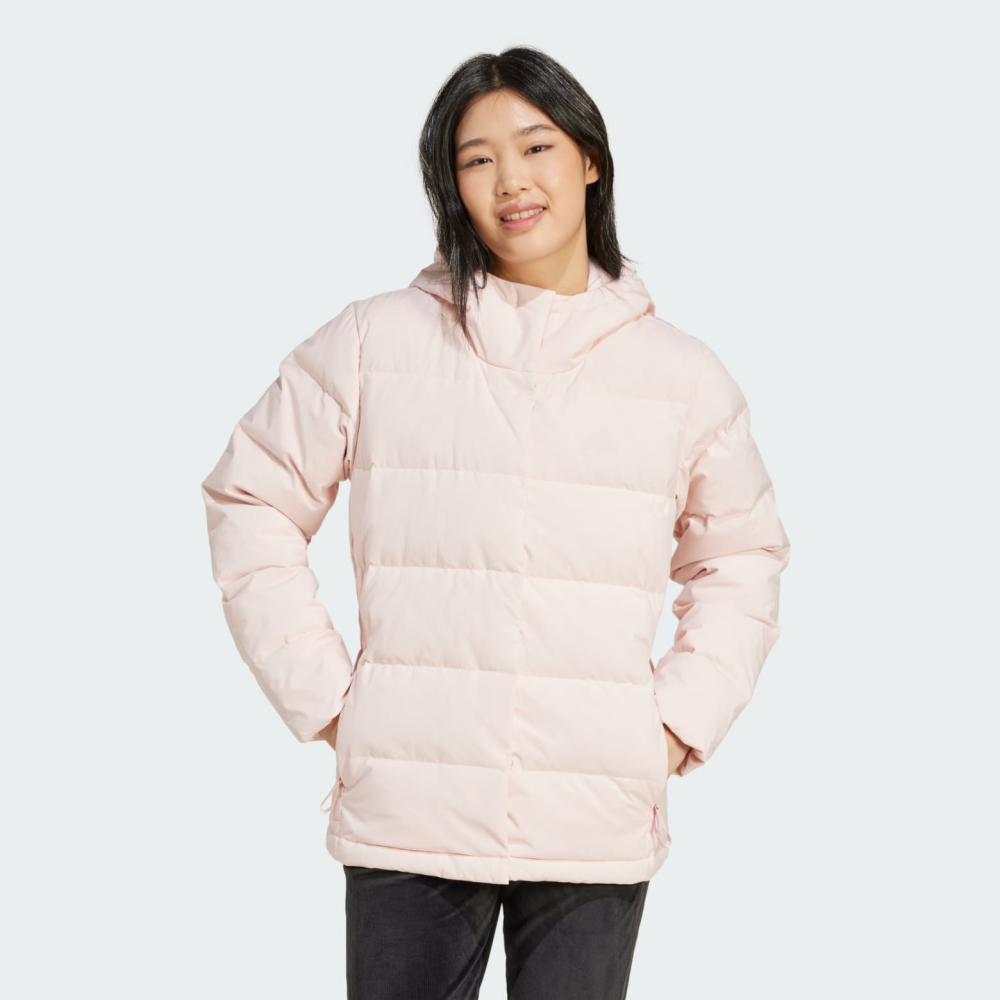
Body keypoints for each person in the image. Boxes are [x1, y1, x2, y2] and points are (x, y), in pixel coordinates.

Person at [201, 45, 791, 1000]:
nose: (511, 181)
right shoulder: (375, 340)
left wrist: (676, 724)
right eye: (477, 160)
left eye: (535, 146)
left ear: (589, 158)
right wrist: (330, 702)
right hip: (411, 806)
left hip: (590, 810)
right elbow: (251, 497)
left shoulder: (681, 375)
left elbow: (742, 557)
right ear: (451, 187)